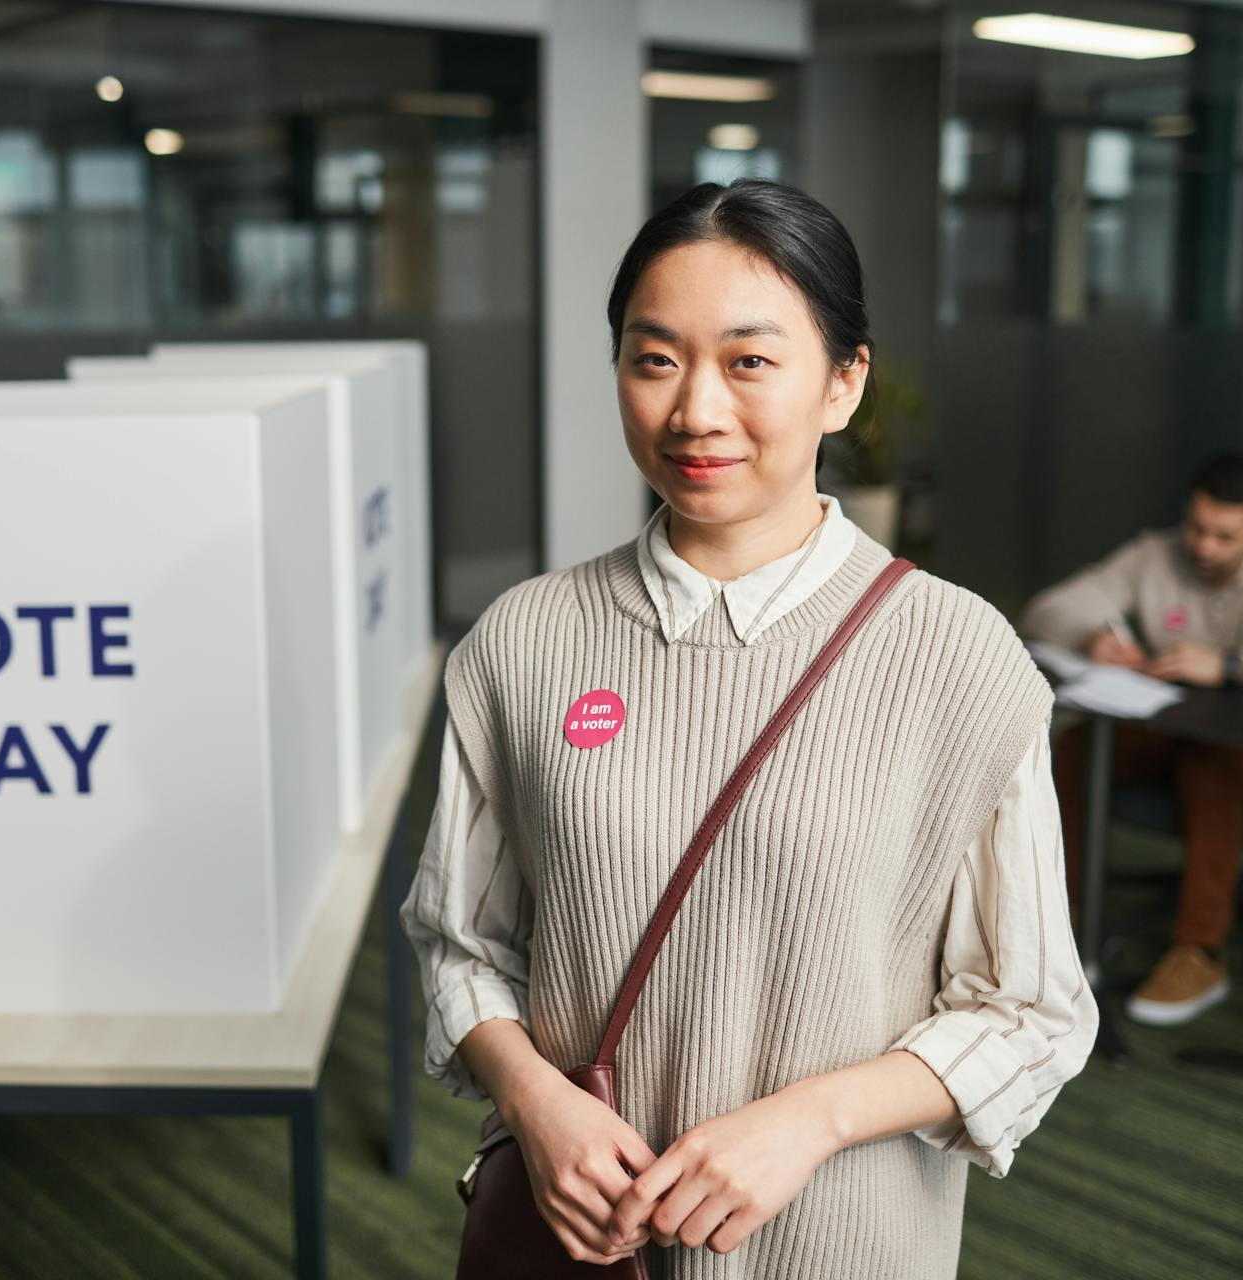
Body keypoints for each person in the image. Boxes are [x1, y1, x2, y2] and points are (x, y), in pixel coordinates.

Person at [402, 179, 1097, 1280]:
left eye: (750, 360)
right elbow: (461, 943)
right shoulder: (522, 643)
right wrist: (536, 1100)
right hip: (590, 1239)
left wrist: (811, 1119)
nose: (696, 410)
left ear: (844, 381)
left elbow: (1030, 1010)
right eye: (655, 357)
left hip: (846, 1237)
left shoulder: (962, 659)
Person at [1020, 454, 1243, 1025]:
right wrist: (1093, 637)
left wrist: (1232, 665)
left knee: (1210, 767)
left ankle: (1198, 951)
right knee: (1077, 745)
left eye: (1224, 536)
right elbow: (1048, 608)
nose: (1204, 547)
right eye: (1197, 528)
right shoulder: (1156, 553)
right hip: (1173, 727)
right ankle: (1052, 920)